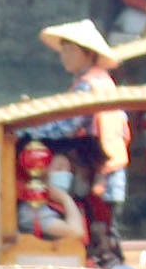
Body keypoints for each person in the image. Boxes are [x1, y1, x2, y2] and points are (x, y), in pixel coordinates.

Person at [39, 17, 131, 244]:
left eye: (70, 49)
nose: (64, 55)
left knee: (100, 233)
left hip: (98, 173)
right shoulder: (104, 81)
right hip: (110, 170)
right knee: (107, 233)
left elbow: (66, 126)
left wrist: (28, 130)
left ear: (88, 53)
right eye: (64, 49)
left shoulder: (87, 85)